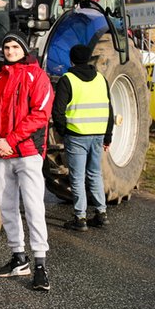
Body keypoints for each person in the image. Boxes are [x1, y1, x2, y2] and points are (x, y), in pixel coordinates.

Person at [0, 32, 54, 291]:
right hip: (2, 153)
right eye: (6, 47)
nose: (10, 51)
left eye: (14, 46)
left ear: (24, 49)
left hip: (27, 153)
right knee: (7, 207)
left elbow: (40, 115)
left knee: (34, 207)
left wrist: (10, 139)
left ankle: (41, 265)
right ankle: (18, 258)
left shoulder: (38, 77)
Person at [52, 44, 114, 231]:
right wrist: (108, 136)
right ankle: (101, 214)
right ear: (88, 59)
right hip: (98, 134)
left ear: (71, 59)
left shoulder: (67, 80)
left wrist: (64, 132)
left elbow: (58, 112)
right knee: (95, 173)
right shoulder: (101, 80)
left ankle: (80, 217)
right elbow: (109, 110)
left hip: (76, 135)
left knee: (77, 177)